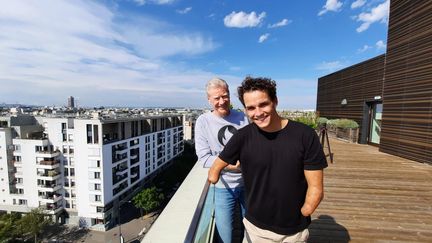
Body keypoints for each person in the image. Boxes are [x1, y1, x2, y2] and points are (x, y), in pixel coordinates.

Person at [208, 77, 328, 243]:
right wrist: (216, 175)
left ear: (275, 101)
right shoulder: (242, 137)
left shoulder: (305, 135)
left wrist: (305, 212)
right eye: (250, 108)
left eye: (263, 104)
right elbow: (215, 168)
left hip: (293, 232)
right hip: (255, 230)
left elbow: (316, 188)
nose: (258, 113)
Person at [195, 77, 249, 242]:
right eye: (216, 98)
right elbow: (203, 158)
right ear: (209, 99)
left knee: (251, 230)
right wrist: (227, 166)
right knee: (225, 235)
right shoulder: (203, 121)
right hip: (222, 186)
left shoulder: (243, 118)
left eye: (225, 96)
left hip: (248, 184)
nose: (222, 101)